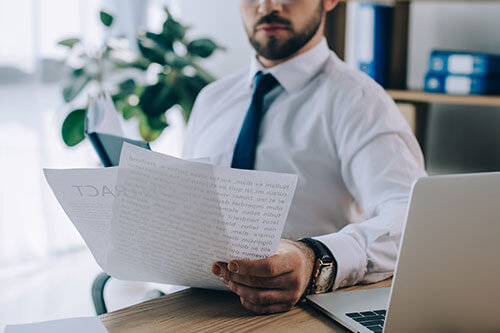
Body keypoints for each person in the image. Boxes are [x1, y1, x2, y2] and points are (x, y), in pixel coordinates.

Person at [182, 0, 427, 314]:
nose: (267, 6)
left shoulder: (360, 102)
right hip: (191, 306)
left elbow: (411, 217)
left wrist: (316, 258)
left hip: (298, 314)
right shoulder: (212, 99)